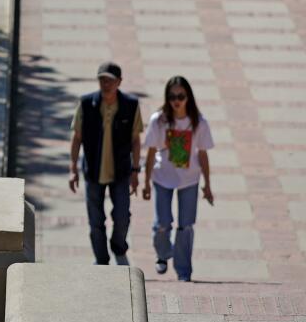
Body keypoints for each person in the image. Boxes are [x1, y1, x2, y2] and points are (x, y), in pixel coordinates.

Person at [68, 61, 143, 266]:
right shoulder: (86, 104)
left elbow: (136, 141)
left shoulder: (130, 105)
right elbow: (77, 138)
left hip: (120, 172)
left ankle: (119, 247)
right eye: (102, 80)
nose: (105, 84)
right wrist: (73, 169)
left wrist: (136, 171)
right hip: (93, 171)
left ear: (119, 82)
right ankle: (101, 259)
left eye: (110, 80)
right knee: (95, 222)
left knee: (122, 217)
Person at [142, 76, 214, 282]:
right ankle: (163, 254)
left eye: (181, 96)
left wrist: (207, 185)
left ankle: (183, 271)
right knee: (162, 224)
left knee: (186, 226)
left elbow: (203, 154)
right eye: (172, 96)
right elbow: (151, 151)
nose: (177, 100)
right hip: (162, 177)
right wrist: (146, 181)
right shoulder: (159, 120)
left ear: (188, 97)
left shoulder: (199, 122)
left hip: (189, 180)